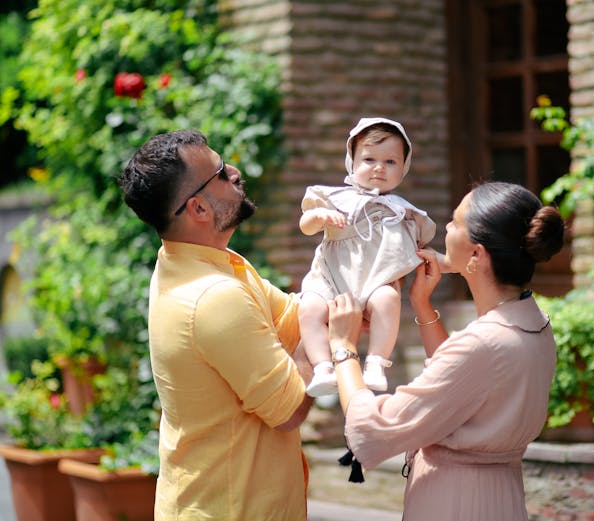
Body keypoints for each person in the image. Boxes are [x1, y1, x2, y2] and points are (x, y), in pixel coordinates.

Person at [327, 182, 565, 520]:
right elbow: (462, 389)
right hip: (501, 497)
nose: (447, 228)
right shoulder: (535, 324)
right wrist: (423, 307)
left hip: (455, 502)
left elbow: (374, 430)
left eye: (455, 222)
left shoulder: (484, 343)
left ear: (477, 255)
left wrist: (343, 347)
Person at [118, 129, 313, 521]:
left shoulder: (198, 261)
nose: (236, 172)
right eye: (222, 172)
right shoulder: (213, 296)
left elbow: (294, 320)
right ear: (199, 209)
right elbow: (290, 408)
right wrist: (337, 342)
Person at [298, 117, 436, 396]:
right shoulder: (335, 198)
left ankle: (376, 364)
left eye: (390, 162)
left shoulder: (403, 211)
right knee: (309, 307)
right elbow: (305, 225)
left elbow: (420, 245)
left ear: (404, 168)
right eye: (369, 159)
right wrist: (318, 217)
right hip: (331, 277)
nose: (378, 168)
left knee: (388, 299)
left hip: (375, 279)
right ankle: (323, 366)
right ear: (352, 161)